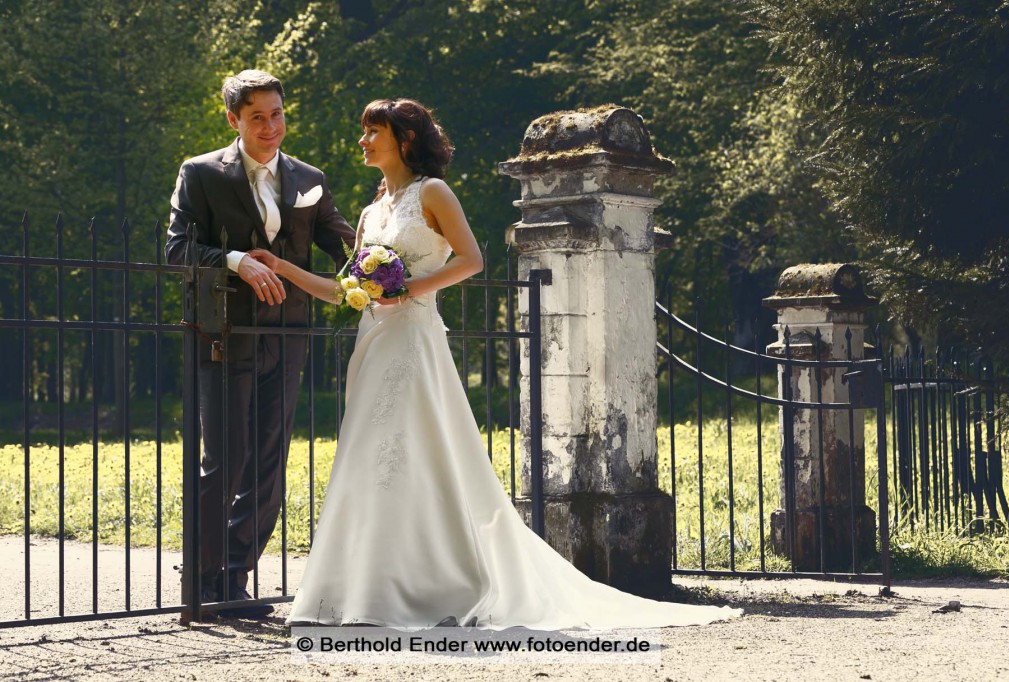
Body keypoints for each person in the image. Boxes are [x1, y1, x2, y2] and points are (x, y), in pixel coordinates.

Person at [250, 98, 741, 629]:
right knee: (370, 460)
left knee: (419, 457)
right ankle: (367, 590)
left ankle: (437, 587)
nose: (363, 142)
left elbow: (471, 260)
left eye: (373, 132)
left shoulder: (432, 193)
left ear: (405, 140)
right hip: (373, 345)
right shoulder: (371, 213)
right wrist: (282, 266)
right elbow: (343, 290)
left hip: (414, 343)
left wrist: (408, 289)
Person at [165, 70, 356, 619]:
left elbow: (348, 244)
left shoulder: (308, 178)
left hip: (289, 337)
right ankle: (199, 587)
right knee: (224, 462)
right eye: (257, 117)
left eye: (277, 114)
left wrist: (392, 254)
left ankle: (234, 577)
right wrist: (235, 262)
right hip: (223, 337)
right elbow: (177, 251)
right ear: (234, 120)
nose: (271, 127)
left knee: (269, 467)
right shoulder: (201, 174)